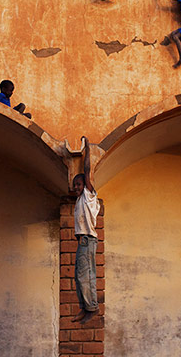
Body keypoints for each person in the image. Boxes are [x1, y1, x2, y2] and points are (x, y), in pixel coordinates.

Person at [71, 135, 100, 325]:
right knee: (78, 276)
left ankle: (92, 308)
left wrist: (87, 149)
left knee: (85, 276)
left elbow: (87, 170)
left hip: (88, 240)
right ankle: (84, 307)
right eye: (75, 185)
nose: (76, 187)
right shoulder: (79, 201)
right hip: (82, 241)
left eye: (79, 184)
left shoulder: (89, 196)